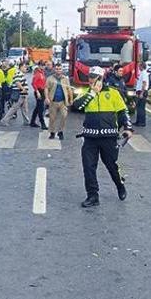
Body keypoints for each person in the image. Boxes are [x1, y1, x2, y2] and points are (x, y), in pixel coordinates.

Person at [73, 66, 132, 207]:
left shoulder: (113, 93)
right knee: (88, 167)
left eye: (94, 77)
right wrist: (92, 93)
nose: (91, 79)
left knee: (112, 166)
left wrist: (128, 128)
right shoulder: (86, 93)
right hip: (90, 138)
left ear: (101, 78)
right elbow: (77, 107)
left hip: (109, 137)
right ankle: (93, 196)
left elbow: (123, 112)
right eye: (90, 76)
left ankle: (120, 185)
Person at [45, 63, 72, 140]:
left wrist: (71, 99)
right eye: (57, 69)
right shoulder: (50, 78)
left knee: (64, 116)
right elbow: (46, 88)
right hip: (53, 101)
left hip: (63, 102)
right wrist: (47, 98)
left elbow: (69, 89)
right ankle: (52, 132)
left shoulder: (65, 79)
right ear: (54, 69)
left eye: (60, 69)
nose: (58, 70)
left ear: (62, 70)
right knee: (52, 118)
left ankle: (60, 131)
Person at [29, 62, 47, 129]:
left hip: (42, 91)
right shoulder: (37, 73)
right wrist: (37, 92)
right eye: (42, 65)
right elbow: (33, 83)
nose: (43, 67)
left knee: (37, 108)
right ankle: (42, 123)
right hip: (39, 91)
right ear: (39, 66)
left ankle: (32, 122)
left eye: (44, 65)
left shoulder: (42, 73)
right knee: (40, 108)